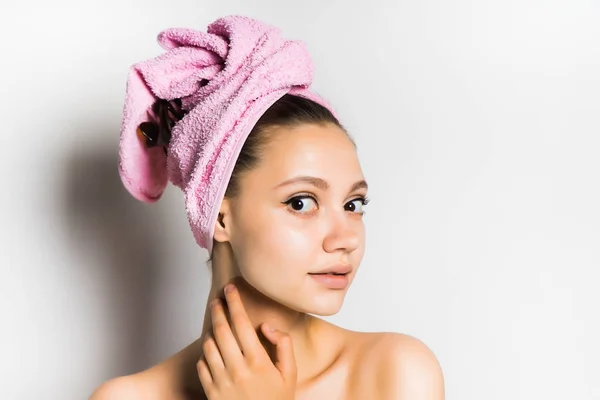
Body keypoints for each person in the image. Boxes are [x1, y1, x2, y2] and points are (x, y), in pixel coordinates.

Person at [90, 15, 444, 400]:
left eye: (353, 204)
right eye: (301, 202)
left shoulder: (393, 372)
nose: (345, 239)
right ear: (220, 215)